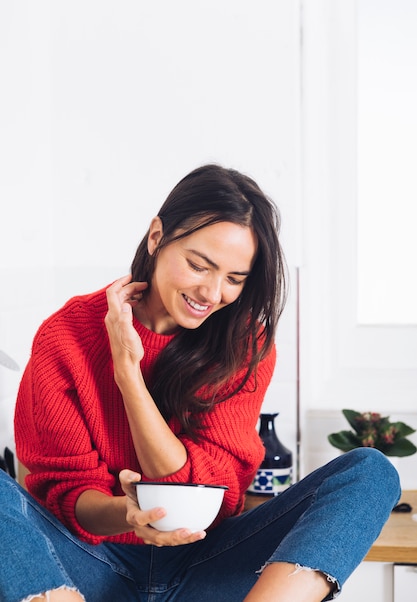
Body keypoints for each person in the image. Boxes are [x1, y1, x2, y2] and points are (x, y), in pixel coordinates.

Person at [1, 164, 399, 602]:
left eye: (233, 279)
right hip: (91, 563)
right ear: (157, 238)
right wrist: (129, 515)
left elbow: (199, 495)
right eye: (199, 266)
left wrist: (128, 375)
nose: (212, 293)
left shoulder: (246, 343)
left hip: (204, 563)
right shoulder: (66, 335)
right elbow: (67, 496)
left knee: (371, 471)